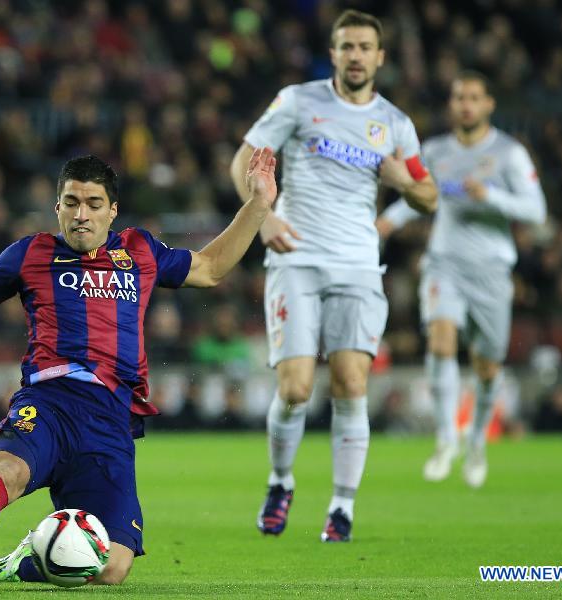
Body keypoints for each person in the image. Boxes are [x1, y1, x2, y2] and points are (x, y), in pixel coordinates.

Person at [0, 151, 278, 586]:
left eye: (93, 204)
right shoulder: (31, 254)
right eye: (71, 202)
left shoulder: (140, 250)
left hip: (110, 422)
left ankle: (17, 564)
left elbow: (212, 268)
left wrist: (258, 203)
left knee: (112, 568)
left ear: (113, 211)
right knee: (8, 468)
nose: (81, 214)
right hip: (50, 401)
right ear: (58, 207)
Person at [229, 10, 437, 543]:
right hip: (296, 258)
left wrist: (403, 182)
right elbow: (244, 162)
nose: (356, 56)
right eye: (347, 46)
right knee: (296, 387)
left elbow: (430, 194)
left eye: (366, 47)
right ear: (335, 52)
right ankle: (280, 481)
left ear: (380, 56)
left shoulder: (395, 123)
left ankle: (342, 507)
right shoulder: (299, 100)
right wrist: (264, 217)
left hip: (359, 266)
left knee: (351, 385)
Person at [376, 71, 547, 487]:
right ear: (451, 105)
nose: (466, 104)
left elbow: (537, 211)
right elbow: (420, 199)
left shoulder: (509, 153)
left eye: (474, 97)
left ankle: (476, 443)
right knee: (440, 338)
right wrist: (388, 221)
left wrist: (491, 197)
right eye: (459, 97)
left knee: (487, 367)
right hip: (444, 263)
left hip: (490, 270)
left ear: (489, 104)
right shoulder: (434, 151)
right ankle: (445, 439)